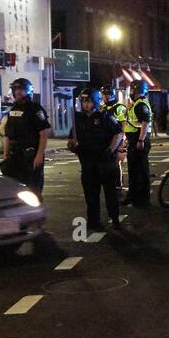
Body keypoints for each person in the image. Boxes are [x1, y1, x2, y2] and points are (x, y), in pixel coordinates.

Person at [68, 88, 124, 231]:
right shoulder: (78, 119)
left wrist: (110, 149)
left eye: (88, 101)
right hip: (88, 163)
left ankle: (115, 218)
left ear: (95, 102)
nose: (85, 104)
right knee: (91, 195)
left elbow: (118, 133)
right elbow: (71, 139)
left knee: (110, 193)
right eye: (84, 101)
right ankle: (94, 221)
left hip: (105, 162)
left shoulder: (105, 116)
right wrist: (72, 146)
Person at [1, 77, 50, 193]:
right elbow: (7, 134)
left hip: (30, 155)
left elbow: (43, 134)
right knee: (15, 190)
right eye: (15, 90)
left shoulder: (35, 109)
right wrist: (5, 153)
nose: (17, 92)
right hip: (14, 156)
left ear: (27, 91)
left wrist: (39, 155)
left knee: (33, 189)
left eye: (21, 89)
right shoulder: (12, 110)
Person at [121, 79, 153, 208]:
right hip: (134, 139)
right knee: (134, 170)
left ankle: (142, 200)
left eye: (133, 90)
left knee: (141, 171)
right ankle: (133, 197)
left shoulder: (141, 105)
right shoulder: (136, 104)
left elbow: (144, 123)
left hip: (138, 140)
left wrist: (140, 140)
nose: (131, 92)